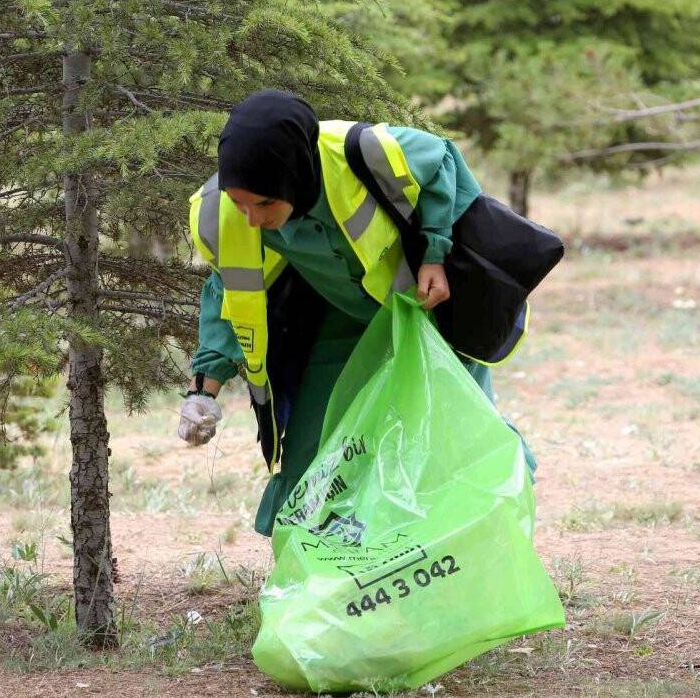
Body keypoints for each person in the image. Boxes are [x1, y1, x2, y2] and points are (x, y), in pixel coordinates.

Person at [177, 90, 535, 536]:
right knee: (313, 450)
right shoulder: (222, 214)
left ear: (295, 177)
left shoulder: (363, 153)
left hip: (424, 312)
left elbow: (442, 158)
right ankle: (327, 571)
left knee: (462, 431)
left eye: (264, 204)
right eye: (239, 202)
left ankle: (484, 546)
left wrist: (433, 253)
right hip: (341, 321)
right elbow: (229, 294)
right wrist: (203, 393)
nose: (250, 218)